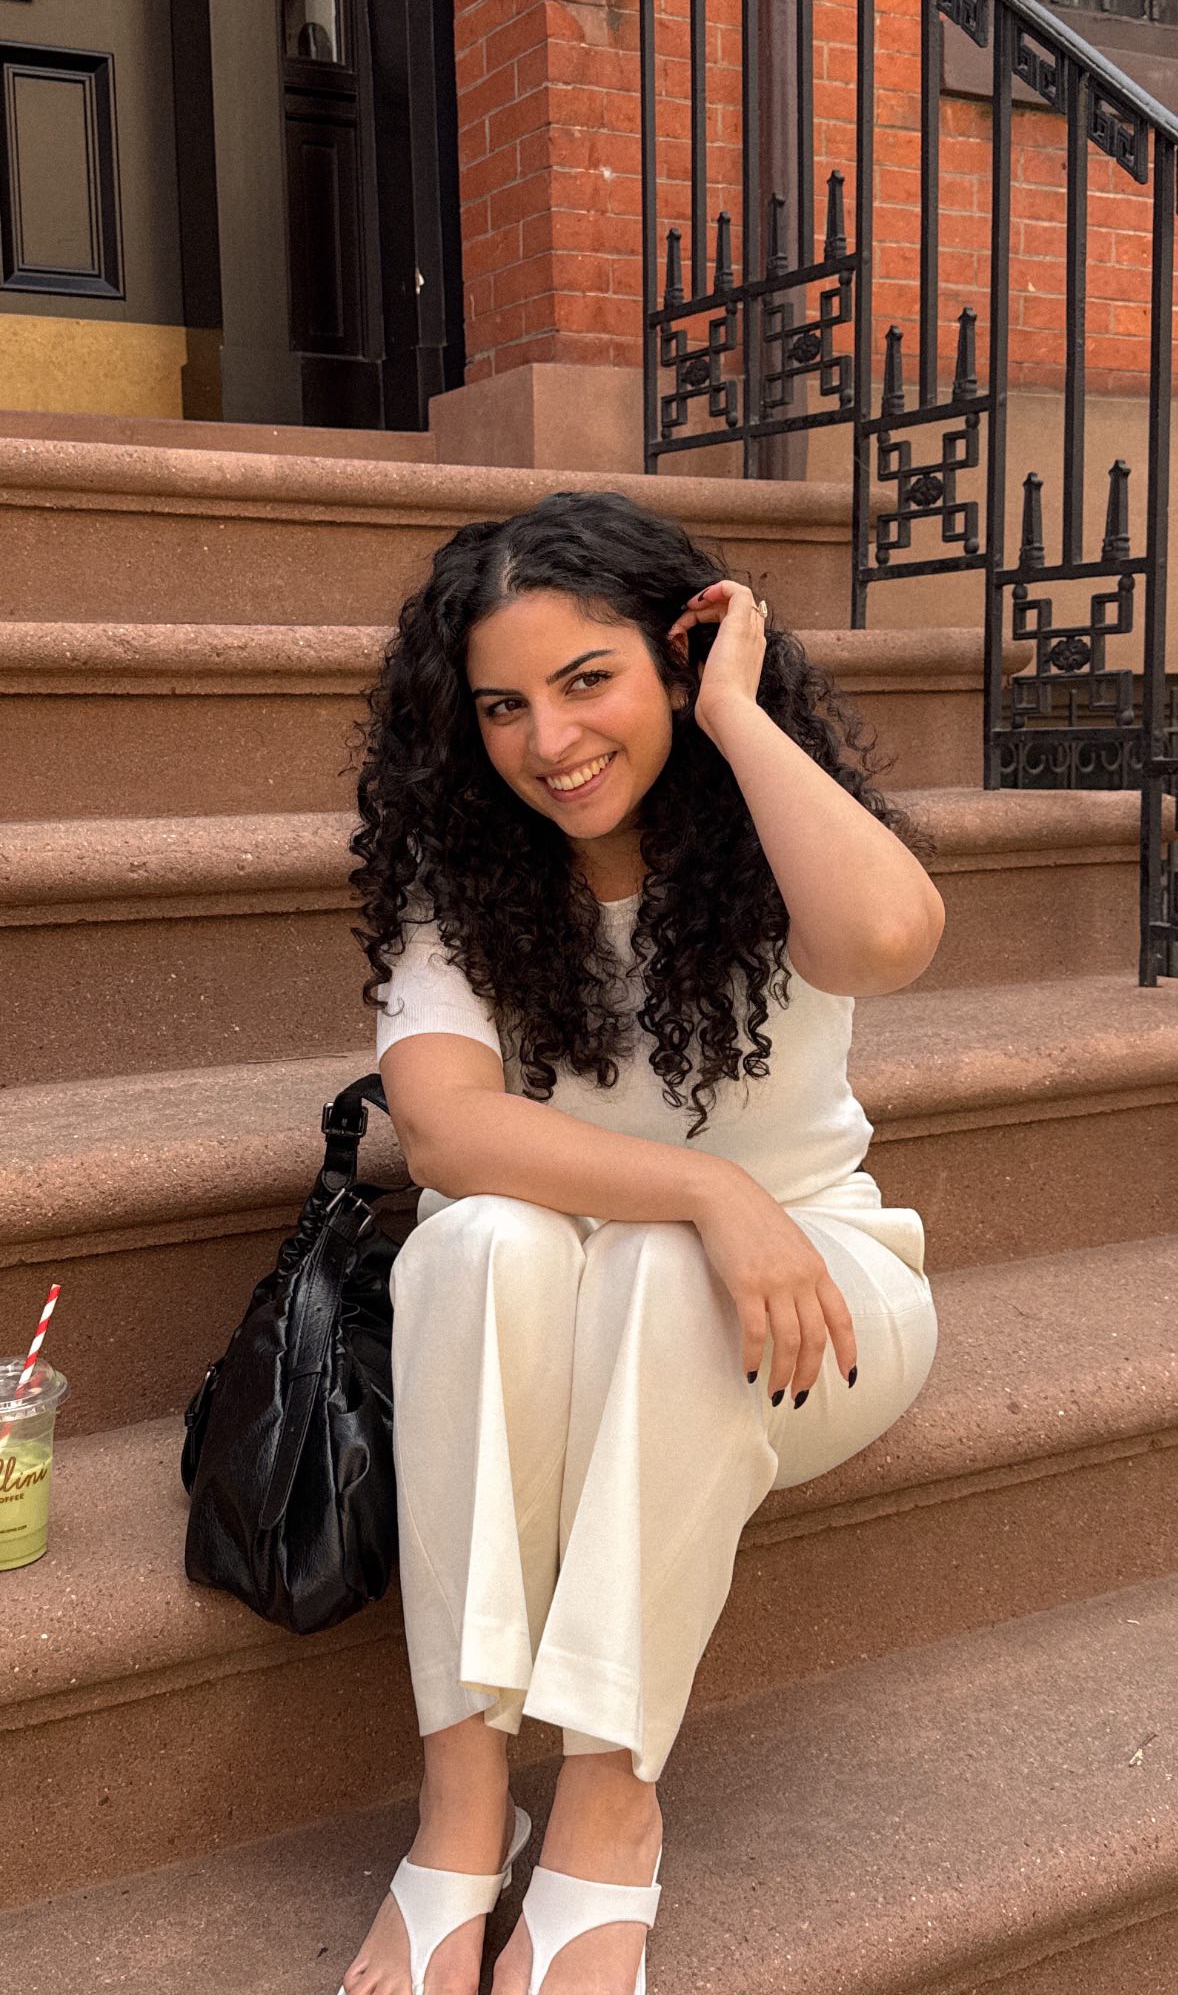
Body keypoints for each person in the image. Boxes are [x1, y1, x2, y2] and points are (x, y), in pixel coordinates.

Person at [340, 488, 944, 1995]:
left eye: (588, 680)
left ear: (669, 663)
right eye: (503, 706)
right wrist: (707, 1191)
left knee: (658, 1272)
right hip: (570, 1302)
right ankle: (461, 1812)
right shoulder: (460, 877)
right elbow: (445, 1133)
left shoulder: (763, 836)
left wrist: (735, 711)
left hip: (806, 1306)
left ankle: (608, 1804)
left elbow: (888, 941)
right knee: (474, 1241)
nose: (549, 741)